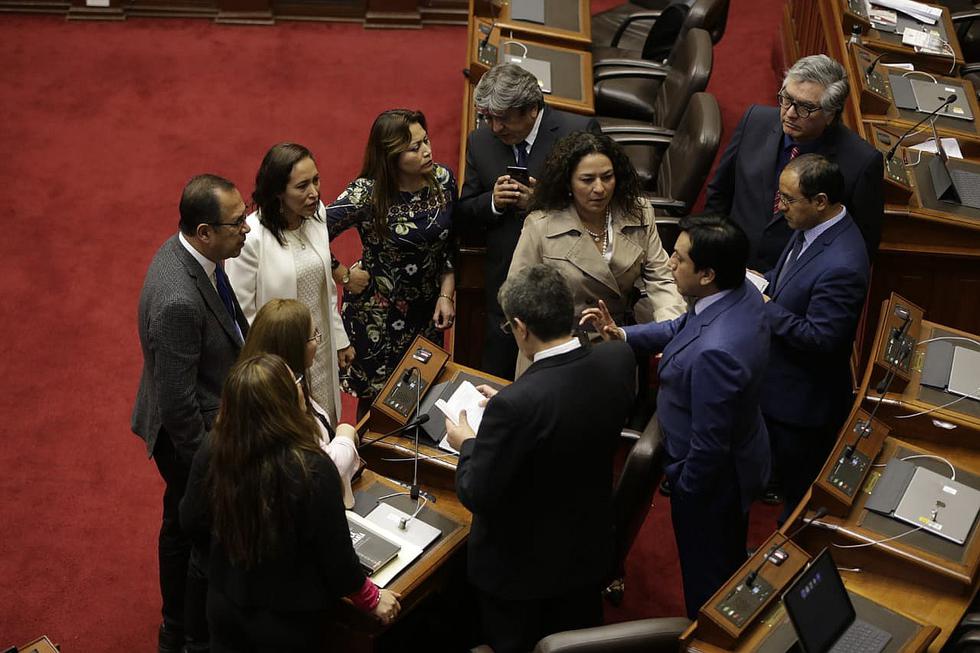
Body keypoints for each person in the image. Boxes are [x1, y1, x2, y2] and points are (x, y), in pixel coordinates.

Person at [582, 215, 771, 619]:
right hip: (744, 448)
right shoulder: (739, 294)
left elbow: (709, 444)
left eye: (679, 259)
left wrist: (684, 485)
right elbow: (683, 326)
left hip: (712, 483)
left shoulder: (717, 352)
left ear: (707, 274)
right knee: (727, 557)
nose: (668, 263)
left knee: (707, 580)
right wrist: (625, 334)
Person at [446, 264, 636, 653]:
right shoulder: (618, 358)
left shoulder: (519, 405)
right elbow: (570, 406)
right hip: (588, 553)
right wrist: (514, 406)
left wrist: (467, 442)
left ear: (520, 327)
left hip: (522, 579)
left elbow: (476, 493)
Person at [179, 354, 399, 651]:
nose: (300, 385)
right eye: (294, 380)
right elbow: (336, 556)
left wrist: (232, 561)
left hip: (225, 605)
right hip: (288, 620)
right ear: (285, 400)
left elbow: (191, 520)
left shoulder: (214, 446)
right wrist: (370, 598)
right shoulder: (311, 467)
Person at [132, 174, 251, 653]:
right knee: (197, 535)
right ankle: (186, 634)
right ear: (204, 231)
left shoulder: (195, 253)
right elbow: (179, 404)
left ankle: (176, 624)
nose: (248, 228)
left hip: (202, 416)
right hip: (190, 436)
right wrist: (211, 464)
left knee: (179, 524)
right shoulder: (179, 299)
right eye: (237, 222)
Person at [458, 63, 601, 379]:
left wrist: (541, 203)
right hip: (505, 284)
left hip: (566, 279)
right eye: (488, 117)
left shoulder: (576, 133)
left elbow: (601, 203)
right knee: (497, 379)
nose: (495, 127)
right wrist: (492, 203)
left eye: (503, 118)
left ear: (532, 110)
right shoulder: (481, 142)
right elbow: (465, 211)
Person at [508, 131, 685, 373]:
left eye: (607, 177)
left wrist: (668, 329)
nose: (599, 188)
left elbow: (661, 278)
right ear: (568, 182)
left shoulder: (639, 212)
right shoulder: (541, 225)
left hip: (614, 342)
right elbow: (517, 295)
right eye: (587, 180)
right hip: (555, 350)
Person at [325, 109, 456, 416]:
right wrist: (343, 274)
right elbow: (314, 232)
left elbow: (452, 241)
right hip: (378, 317)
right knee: (377, 408)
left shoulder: (443, 180)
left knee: (422, 396)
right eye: (414, 147)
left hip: (427, 311)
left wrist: (446, 293)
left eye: (426, 140)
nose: (427, 151)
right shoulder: (366, 194)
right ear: (390, 155)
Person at [763, 154, 870, 522]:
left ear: (821, 201)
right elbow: (785, 276)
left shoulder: (843, 262)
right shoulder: (811, 226)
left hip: (801, 406)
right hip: (777, 382)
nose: (781, 206)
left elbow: (822, 337)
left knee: (798, 505)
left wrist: (764, 307)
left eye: (789, 199)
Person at [704, 54, 883, 271]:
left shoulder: (860, 163)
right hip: (727, 264)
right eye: (787, 99)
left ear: (830, 114)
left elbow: (858, 249)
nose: (789, 113)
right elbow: (720, 193)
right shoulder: (754, 120)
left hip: (788, 289)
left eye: (805, 108)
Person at [226, 142, 353, 425]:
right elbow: (240, 314)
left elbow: (326, 289)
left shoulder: (316, 214)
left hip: (319, 350)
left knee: (327, 424)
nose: (314, 193)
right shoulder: (252, 238)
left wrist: (340, 339)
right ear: (279, 193)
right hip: (278, 358)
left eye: (316, 180)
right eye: (302, 186)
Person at [239, 298, 361, 508]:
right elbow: (325, 466)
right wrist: (346, 433)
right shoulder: (281, 400)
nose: (317, 342)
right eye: (313, 336)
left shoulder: (258, 387)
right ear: (293, 347)